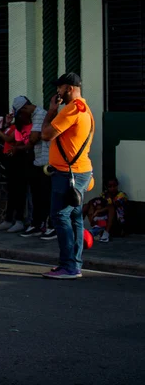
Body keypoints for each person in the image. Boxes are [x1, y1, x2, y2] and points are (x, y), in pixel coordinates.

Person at [41, 73, 94, 279]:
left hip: (67, 174)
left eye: (61, 88)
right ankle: (74, 263)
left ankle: (69, 266)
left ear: (70, 89)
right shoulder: (85, 108)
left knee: (60, 216)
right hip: (79, 172)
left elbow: (46, 134)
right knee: (75, 217)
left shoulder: (72, 110)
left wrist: (52, 111)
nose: (58, 92)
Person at [12, 96, 56, 240]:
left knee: (46, 196)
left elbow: (33, 138)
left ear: (24, 108)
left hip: (46, 162)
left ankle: (50, 225)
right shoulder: (35, 117)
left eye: (20, 114)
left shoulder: (39, 115)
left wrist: (19, 148)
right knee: (38, 196)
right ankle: (37, 224)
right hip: (39, 161)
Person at [83, 177, 128, 243]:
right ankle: (79, 229)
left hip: (116, 222)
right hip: (104, 218)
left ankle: (106, 233)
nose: (112, 188)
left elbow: (113, 206)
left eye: (114, 185)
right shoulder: (104, 195)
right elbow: (96, 202)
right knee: (86, 206)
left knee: (110, 207)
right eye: (110, 186)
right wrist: (91, 206)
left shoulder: (121, 195)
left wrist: (98, 211)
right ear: (106, 187)